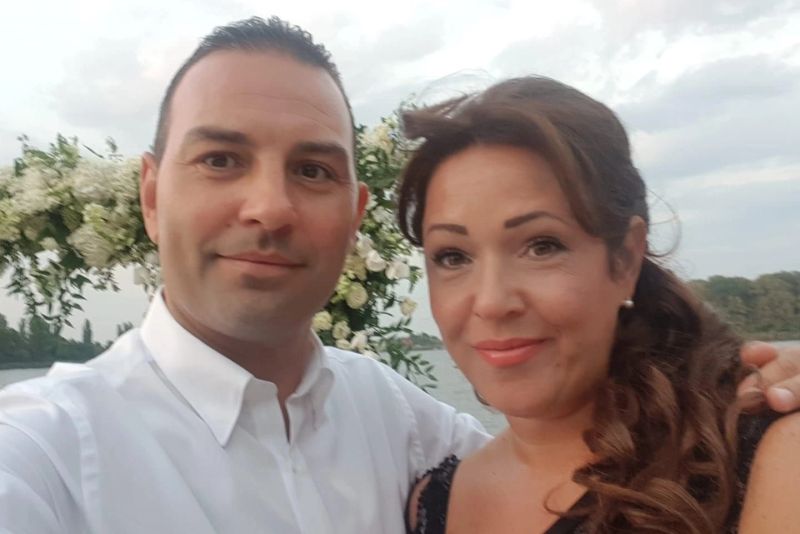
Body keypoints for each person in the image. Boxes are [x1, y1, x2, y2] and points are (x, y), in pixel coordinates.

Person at [0, 16, 797, 534]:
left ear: (354, 213)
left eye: (313, 169)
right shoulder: (44, 456)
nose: (269, 207)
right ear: (150, 196)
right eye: (220, 159)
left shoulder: (405, 429)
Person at [398, 76, 800, 533]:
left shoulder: (763, 454)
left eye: (542, 246)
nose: (491, 303)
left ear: (625, 258)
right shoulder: (433, 503)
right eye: (453, 256)